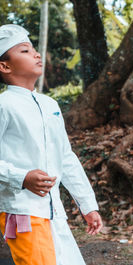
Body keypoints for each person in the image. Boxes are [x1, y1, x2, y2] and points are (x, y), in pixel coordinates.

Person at [0, 24, 103, 265]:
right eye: (25, 51)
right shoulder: (4, 105)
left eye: (34, 49)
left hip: (56, 213)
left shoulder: (50, 105)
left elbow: (65, 157)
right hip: (22, 210)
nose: (36, 54)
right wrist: (21, 177)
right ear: (4, 66)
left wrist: (88, 205)